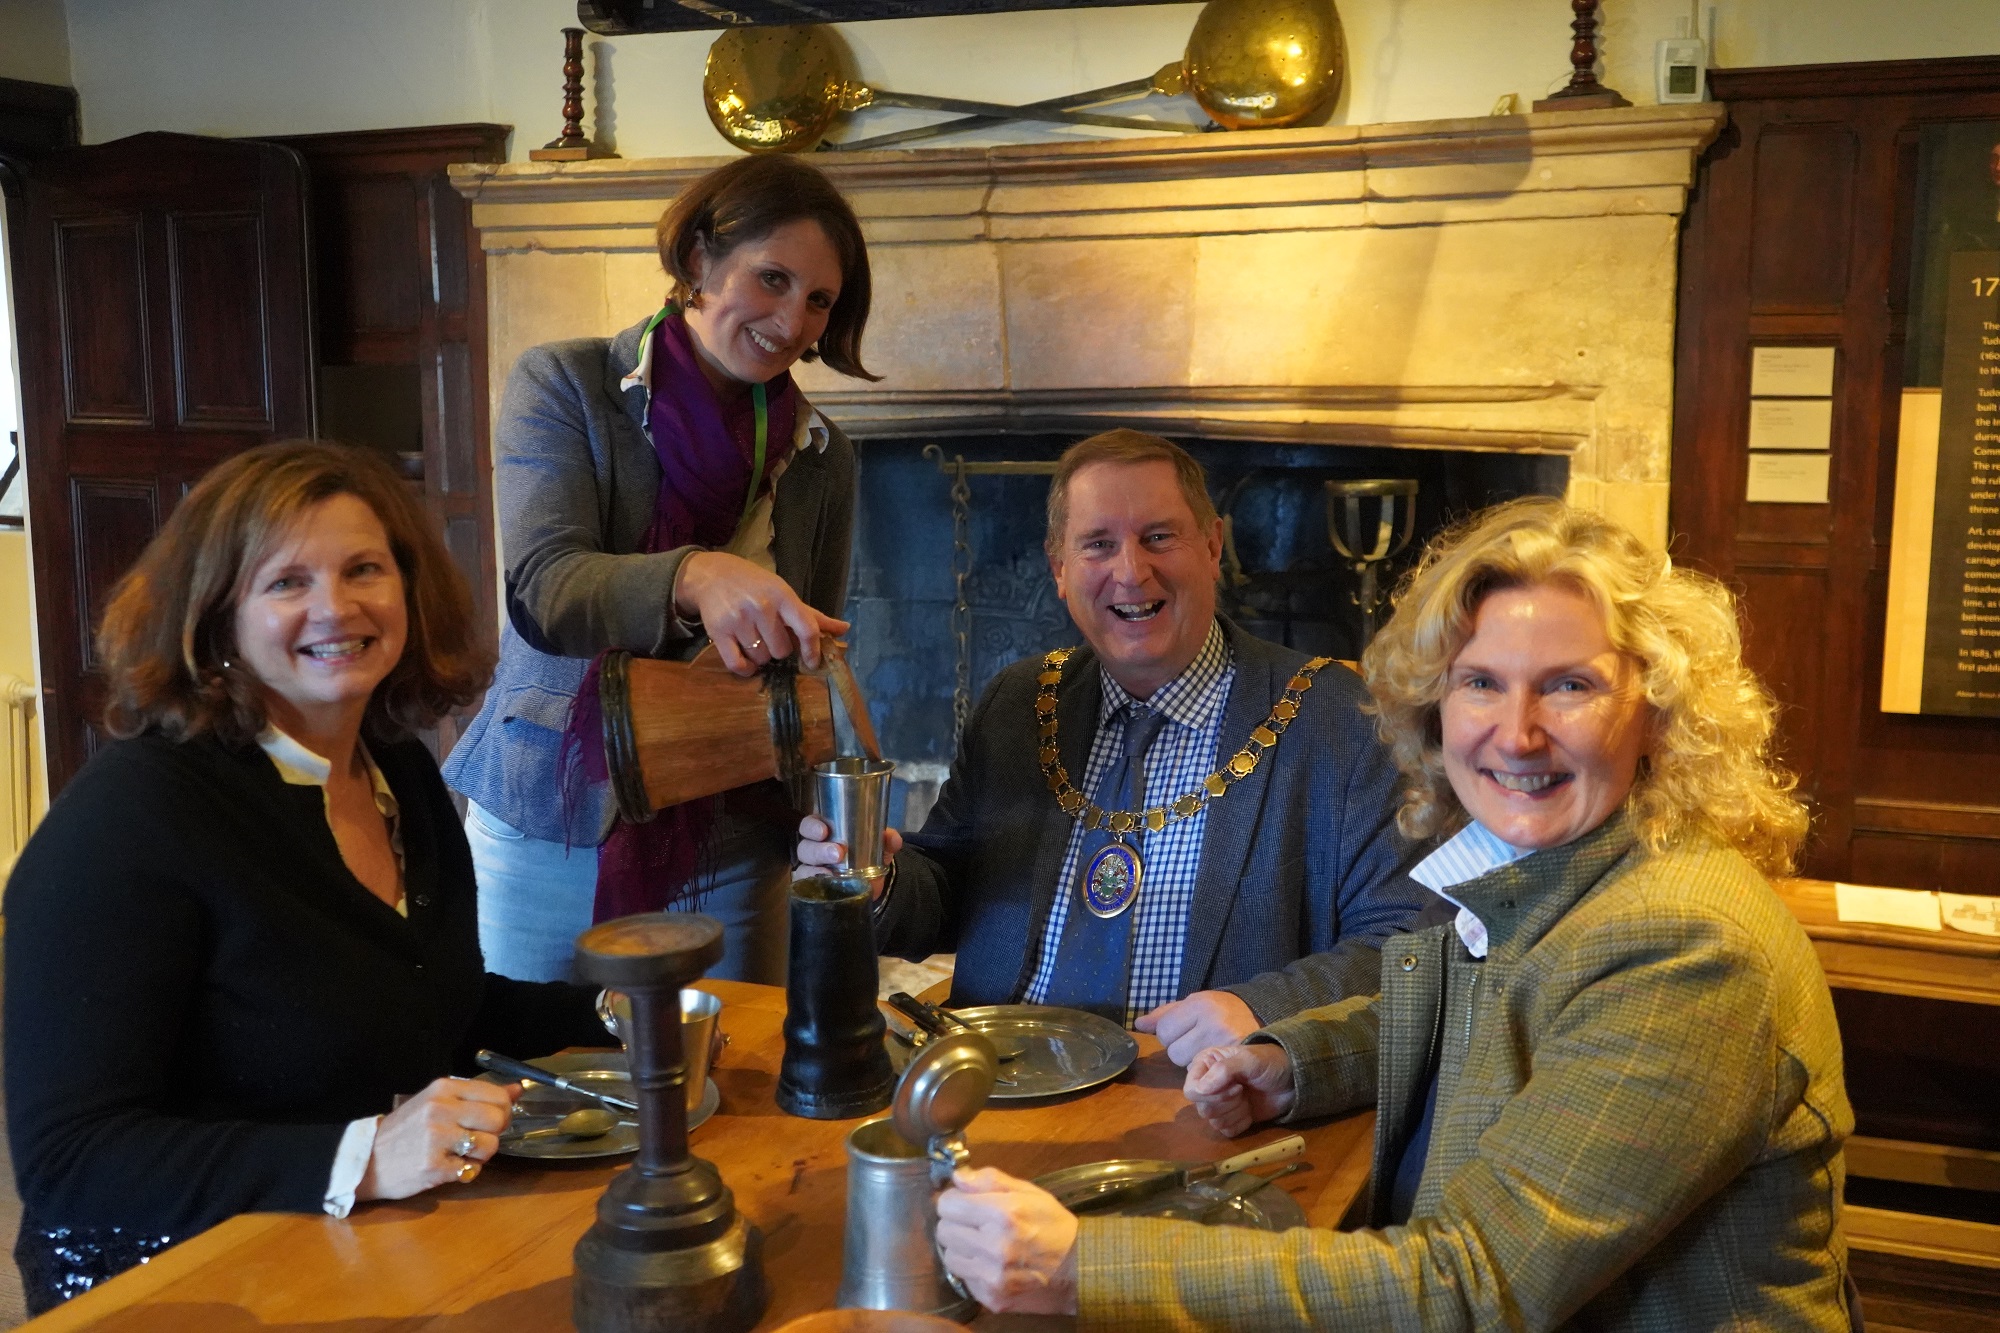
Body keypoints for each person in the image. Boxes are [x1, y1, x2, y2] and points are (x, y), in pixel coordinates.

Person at [931, 496, 1857, 1331]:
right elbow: (1483, 1014)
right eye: (1482, 681)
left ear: (1658, 712)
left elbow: (1470, 1285)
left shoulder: (1683, 946)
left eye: (1570, 685)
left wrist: (1086, 1265)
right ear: (1435, 704)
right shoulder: (1557, 863)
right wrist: (1292, 1063)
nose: (1517, 730)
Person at [3, 443, 617, 1315]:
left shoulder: (395, 766)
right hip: (168, 1284)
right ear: (217, 618)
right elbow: (72, 1156)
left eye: (364, 568)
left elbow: (411, 1000)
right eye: (286, 581)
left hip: (349, 1240)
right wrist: (362, 1156)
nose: (336, 606)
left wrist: (619, 1011)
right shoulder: (131, 818)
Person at [797, 429, 1431, 1056]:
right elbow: (945, 893)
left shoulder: (1338, 717)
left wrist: (1259, 1009)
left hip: (1200, 1099)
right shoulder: (1019, 703)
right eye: (1098, 545)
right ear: (1061, 571)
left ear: (1212, 546)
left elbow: (1408, 939)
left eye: (1159, 537)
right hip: (1001, 1083)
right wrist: (877, 882)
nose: (1131, 571)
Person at [443, 153, 875, 986]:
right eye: (772, 278)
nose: (792, 321)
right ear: (698, 263)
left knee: (729, 1091)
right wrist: (696, 576)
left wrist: (834, 819)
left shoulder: (825, 456)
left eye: (819, 300)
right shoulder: (566, 385)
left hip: (734, 837)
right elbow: (547, 591)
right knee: (538, 1090)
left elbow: (810, 664)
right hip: (551, 823)